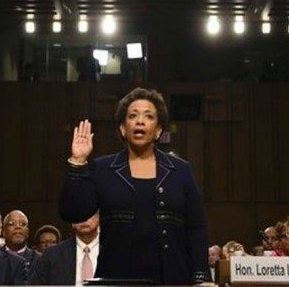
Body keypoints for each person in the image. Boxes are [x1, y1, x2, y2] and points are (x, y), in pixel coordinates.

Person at [59, 87, 209, 284]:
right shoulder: (103, 169)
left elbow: (196, 228)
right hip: (116, 277)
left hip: (172, 277)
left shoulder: (180, 171)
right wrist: (78, 162)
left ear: (158, 130)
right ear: (123, 128)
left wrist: (200, 277)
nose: (140, 121)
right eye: (133, 116)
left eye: (148, 116)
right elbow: (73, 212)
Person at [31, 212, 100, 285]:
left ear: (99, 218)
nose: (84, 218)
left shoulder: (112, 253)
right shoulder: (51, 255)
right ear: (72, 222)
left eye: (90, 212)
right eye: (79, 212)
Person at [1, 210, 40, 281]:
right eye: (11, 224)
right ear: (3, 232)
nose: (18, 227)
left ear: (28, 232)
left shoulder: (39, 260)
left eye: (23, 224)